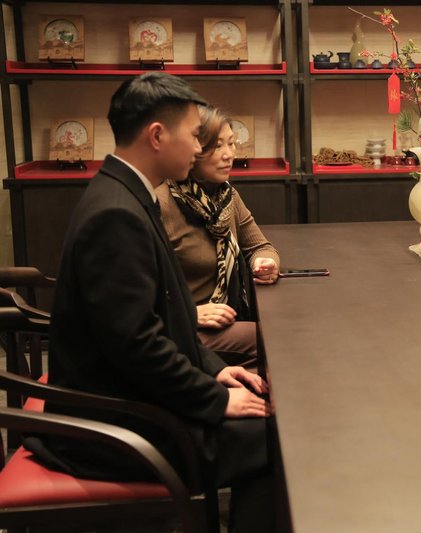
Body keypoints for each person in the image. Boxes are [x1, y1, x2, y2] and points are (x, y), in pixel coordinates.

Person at [27, 72, 279, 531]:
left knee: (265, 420)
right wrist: (214, 399)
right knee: (274, 439)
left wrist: (214, 369)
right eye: (194, 135)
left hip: (134, 402)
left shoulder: (125, 193)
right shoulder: (116, 213)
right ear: (157, 136)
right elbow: (138, 346)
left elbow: (165, 318)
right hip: (115, 428)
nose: (199, 148)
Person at [156, 106, 280, 368]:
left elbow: (260, 246)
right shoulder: (161, 205)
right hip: (181, 329)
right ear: (193, 151)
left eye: (232, 143)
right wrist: (191, 313)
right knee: (275, 341)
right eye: (216, 146)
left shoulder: (225, 196)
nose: (229, 155)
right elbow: (142, 297)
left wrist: (265, 263)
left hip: (224, 319)